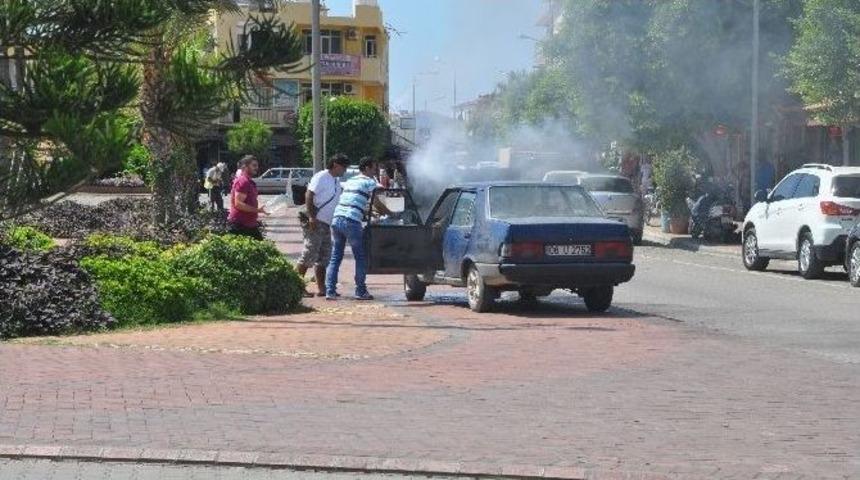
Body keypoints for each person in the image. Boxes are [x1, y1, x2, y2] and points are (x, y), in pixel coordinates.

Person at [325, 156, 393, 301]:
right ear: (367, 168)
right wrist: (390, 214)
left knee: (336, 256)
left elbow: (355, 200)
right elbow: (377, 203)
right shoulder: (370, 182)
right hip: (351, 221)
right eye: (374, 168)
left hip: (337, 219)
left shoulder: (351, 181)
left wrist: (368, 211)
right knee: (360, 257)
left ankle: (330, 291)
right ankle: (360, 291)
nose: (375, 172)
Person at [297, 153, 349, 297]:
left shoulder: (335, 181)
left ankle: (322, 288)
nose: (345, 170)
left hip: (326, 223)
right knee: (309, 253)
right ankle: (297, 287)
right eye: (344, 167)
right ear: (335, 165)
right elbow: (309, 195)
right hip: (316, 221)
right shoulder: (321, 176)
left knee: (324, 256)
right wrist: (312, 217)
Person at [228, 155, 267, 240]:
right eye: (254, 165)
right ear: (245, 167)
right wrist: (257, 210)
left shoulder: (249, 182)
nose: (256, 168)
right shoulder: (243, 181)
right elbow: (238, 204)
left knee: (260, 246)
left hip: (249, 225)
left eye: (257, 165)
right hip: (240, 225)